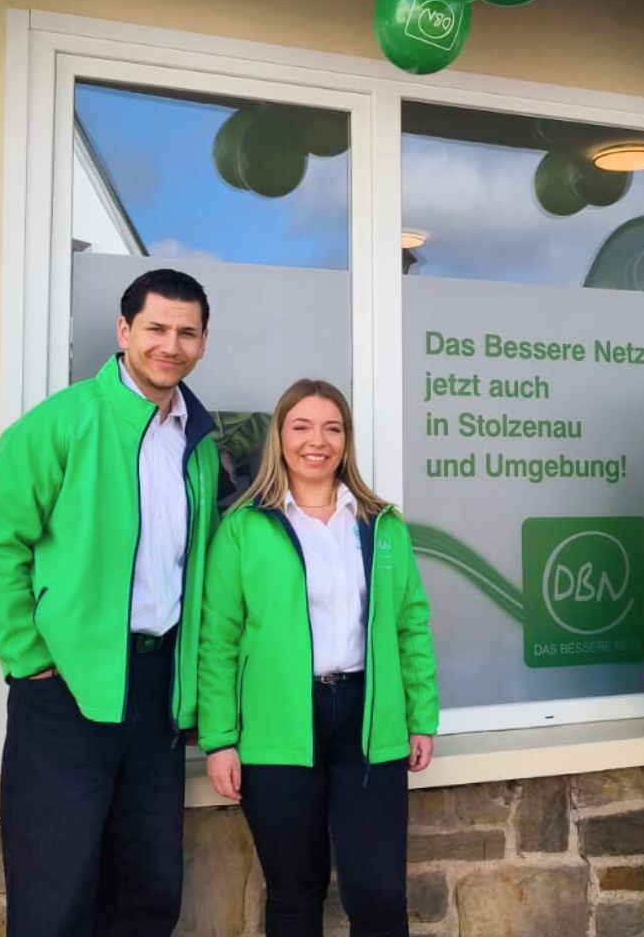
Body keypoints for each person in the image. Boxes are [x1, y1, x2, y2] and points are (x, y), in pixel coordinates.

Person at [0, 268, 218, 936]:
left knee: (148, 892)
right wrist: (30, 658)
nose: (170, 345)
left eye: (187, 333)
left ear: (202, 343)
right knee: (55, 896)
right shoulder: (61, 422)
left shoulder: (198, 443)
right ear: (123, 331)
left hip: (158, 690)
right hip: (66, 689)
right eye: (156, 328)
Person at [198, 378, 438, 937]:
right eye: (301, 426)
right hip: (278, 725)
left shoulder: (381, 524)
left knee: (379, 896)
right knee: (294, 892)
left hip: (368, 723)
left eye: (332, 428)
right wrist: (220, 739)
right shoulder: (244, 528)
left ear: (346, 440)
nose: (317, 441)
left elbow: (411, 625)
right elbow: (218, 640)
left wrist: (421, 717)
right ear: (280, 437)